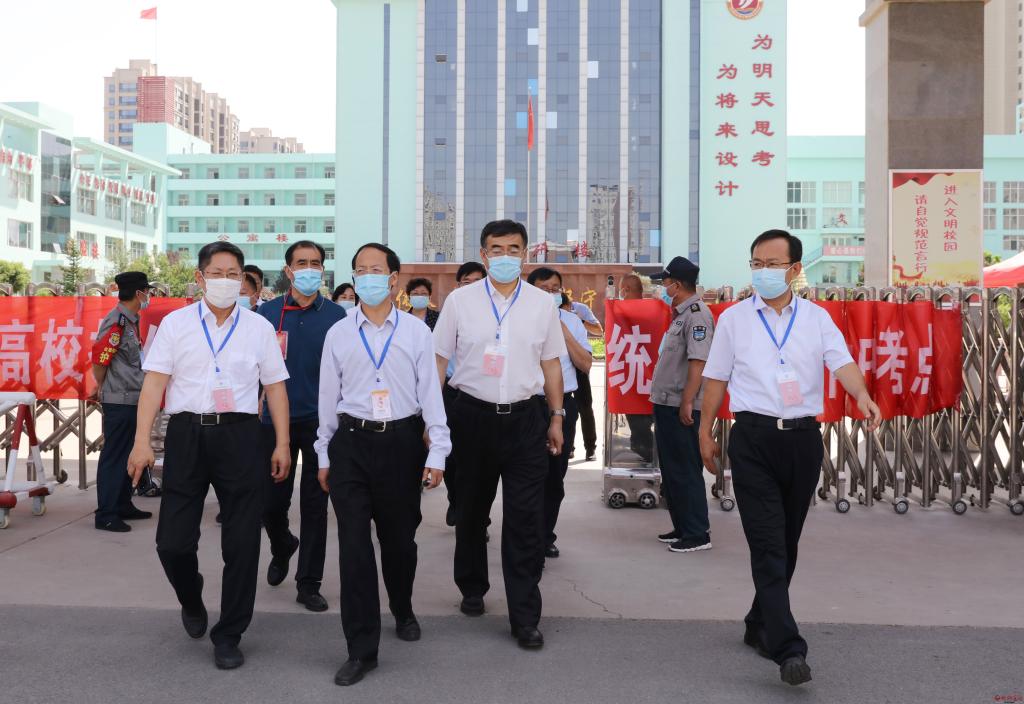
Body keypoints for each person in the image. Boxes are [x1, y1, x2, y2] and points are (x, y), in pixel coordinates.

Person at [699, 229, 882, 687]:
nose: (762, 272)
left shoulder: (817, 319)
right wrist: (705, 431)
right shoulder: (734, 319)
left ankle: (758, 621)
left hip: (802, 440)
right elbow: (716, 378)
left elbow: (842, 363)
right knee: (767, 542)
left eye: (772, 264)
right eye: (756, 263)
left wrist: (861, 395)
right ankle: (787, 647)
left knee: (786, 540)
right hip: (752, 439)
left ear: (795, 269)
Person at [126, 241, 292, 671]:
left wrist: (282, 443)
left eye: (233, 274)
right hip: (187, 434)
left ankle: (230, 633)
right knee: (172, 542)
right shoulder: (176, 324)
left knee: (242, 541)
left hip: (241, 435)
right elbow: (154, 385)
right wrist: (142, 441)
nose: (225, 281)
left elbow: (275, 387)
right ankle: (190, 594)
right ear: (200, 278)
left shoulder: (258, 328)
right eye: (217, 273)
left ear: (244, 280)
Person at [315, 242, 450, 687]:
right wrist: (323, 452)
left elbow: (431, 394)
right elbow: (328, 398)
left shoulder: (416, 332)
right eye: (360, 270)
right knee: (353, 546)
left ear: (393, 279)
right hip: (351, 445)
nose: (367, 277)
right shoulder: (338, 333)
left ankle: (402, 606)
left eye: (376, 270)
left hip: (401, 444)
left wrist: (437, 451)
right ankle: (361, 649)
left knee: (399, 542)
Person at [433, 219, 567, 650]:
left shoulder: (542, 304)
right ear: (483, 253)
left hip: (526, 420)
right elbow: (438, 361)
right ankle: (472, 587)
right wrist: (432, 422)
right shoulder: (460, 301)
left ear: (525, 254)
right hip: (470, 417)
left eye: (513, 249)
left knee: (525, 519)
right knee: (471, 511)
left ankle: (524, 615)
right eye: (496, 249)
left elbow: (551, 363)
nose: (505, 256)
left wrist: (557, 417)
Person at [258, 240, 345, 613]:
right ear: (288, 270)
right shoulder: (266, 314)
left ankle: (309, 583)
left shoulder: (338, 316)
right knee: (269, 502)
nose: (308, 269)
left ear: (322, 270)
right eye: (301, 263)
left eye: (315, 263)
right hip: (272, 421)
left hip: (321, 422)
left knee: (315, 503)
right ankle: (282, 544)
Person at [648, 257, 715, 553]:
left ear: (677, 284)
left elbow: (698, 362)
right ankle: (683, 526)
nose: (663, 288)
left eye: (665, 283)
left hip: (680, 404)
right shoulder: (681, 314)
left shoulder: (697, 316)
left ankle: (697, 533)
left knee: (685, 469)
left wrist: (688, 401)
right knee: (673, 469)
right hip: (667, 402)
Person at [526, 267, 592, 560]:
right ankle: (527, 536)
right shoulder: (520, 319)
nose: (551, 294)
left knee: (555, 476)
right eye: (544, 289)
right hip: (527, 405)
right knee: (526, 475)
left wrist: (562, 331)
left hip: (563, 406)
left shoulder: (572, 322)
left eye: (555, 289)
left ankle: (545, 536)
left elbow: (586, 364)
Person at [90, 271, 156, 532]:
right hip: (120, 398)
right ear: (138, 294)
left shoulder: (130, 320)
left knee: (129, 453)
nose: (148, 297)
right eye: (147, 292)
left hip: (133, 397)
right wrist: (102, 385)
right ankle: (106, 513)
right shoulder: (116, 322)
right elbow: (100, 359)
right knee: (115, 456)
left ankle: (123, 504)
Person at [441, 261, 487, 527]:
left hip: (480, 395)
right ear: (457, 286)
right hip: (452, 391)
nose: (471, 288)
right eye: (465, 282)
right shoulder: (452, 312)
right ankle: (455, 499)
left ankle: (479, 518)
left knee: (478, 460)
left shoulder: (495, 316)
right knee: (451, 455)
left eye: (477, 282)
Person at [618, 274, 655, 463]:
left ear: (625, 290)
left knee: (640, 432)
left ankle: (652, 458)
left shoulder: (620, 312)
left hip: (632, 380)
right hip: (652, 381)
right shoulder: (655, 310)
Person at [568, 300, 601, 462]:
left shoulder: (580, 309)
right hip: (559, 365)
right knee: (564, 408)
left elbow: (598, 330)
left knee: (585, 407)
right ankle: (569, 447)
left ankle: (590, 448)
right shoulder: (547, 307)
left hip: (579, 364)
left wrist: (579, 320)